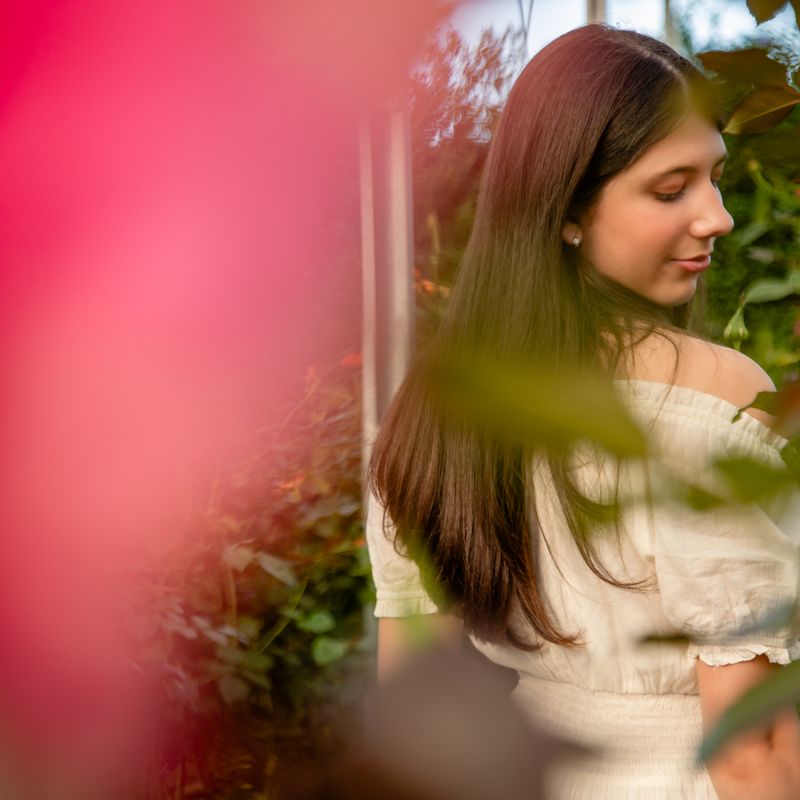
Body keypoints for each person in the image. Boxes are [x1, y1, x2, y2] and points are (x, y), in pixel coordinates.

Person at [364, 23, 800, 800]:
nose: (718, 217)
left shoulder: (434, 410)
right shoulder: (713, 398)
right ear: (564, 211)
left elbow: (412, 711)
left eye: (716, 178)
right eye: (671, 189)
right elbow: (751, 755)